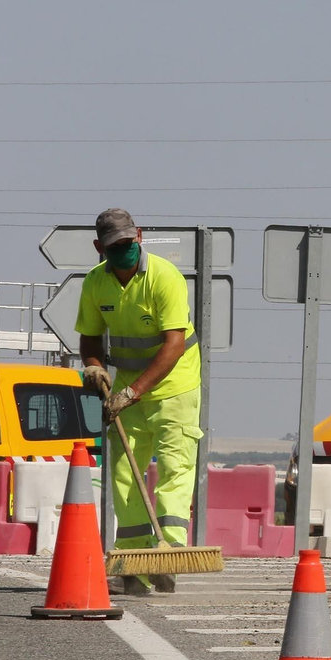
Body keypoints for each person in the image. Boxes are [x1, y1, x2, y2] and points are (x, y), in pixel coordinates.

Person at [76, 208, 203, 596]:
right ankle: (133, 566)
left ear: (140, 237)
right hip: (126, 392)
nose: (124, 250)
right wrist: (94, 367)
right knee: (124, 473)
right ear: (100, 248)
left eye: (128, 243)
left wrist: (133, 392)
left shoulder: (164, 277)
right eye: (115, 246)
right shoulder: (96, 283)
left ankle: (169, 555)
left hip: (175, 386)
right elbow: (90, 337)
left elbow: (174, 344)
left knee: (175, 468)